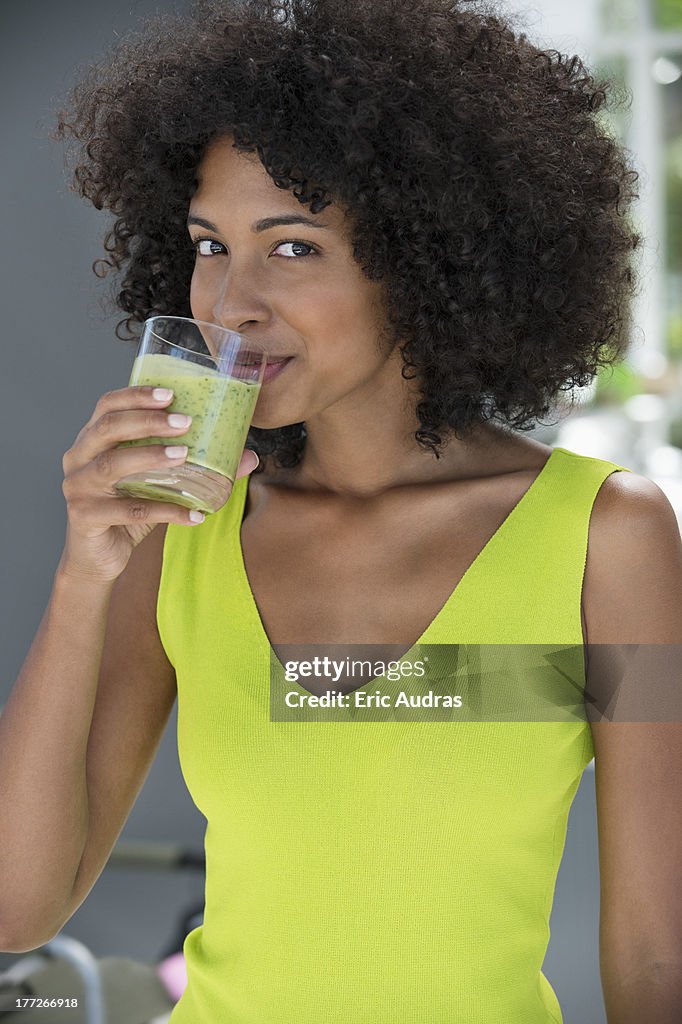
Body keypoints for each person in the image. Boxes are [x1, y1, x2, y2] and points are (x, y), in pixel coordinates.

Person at [1, 0, 681, 1021]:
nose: (229, 304)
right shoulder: (179, 531)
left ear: (424, 256)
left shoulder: (608, 540)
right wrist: (82, 574)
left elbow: (654, 953)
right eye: (207, 243)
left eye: (291, 248)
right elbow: (19, 909)